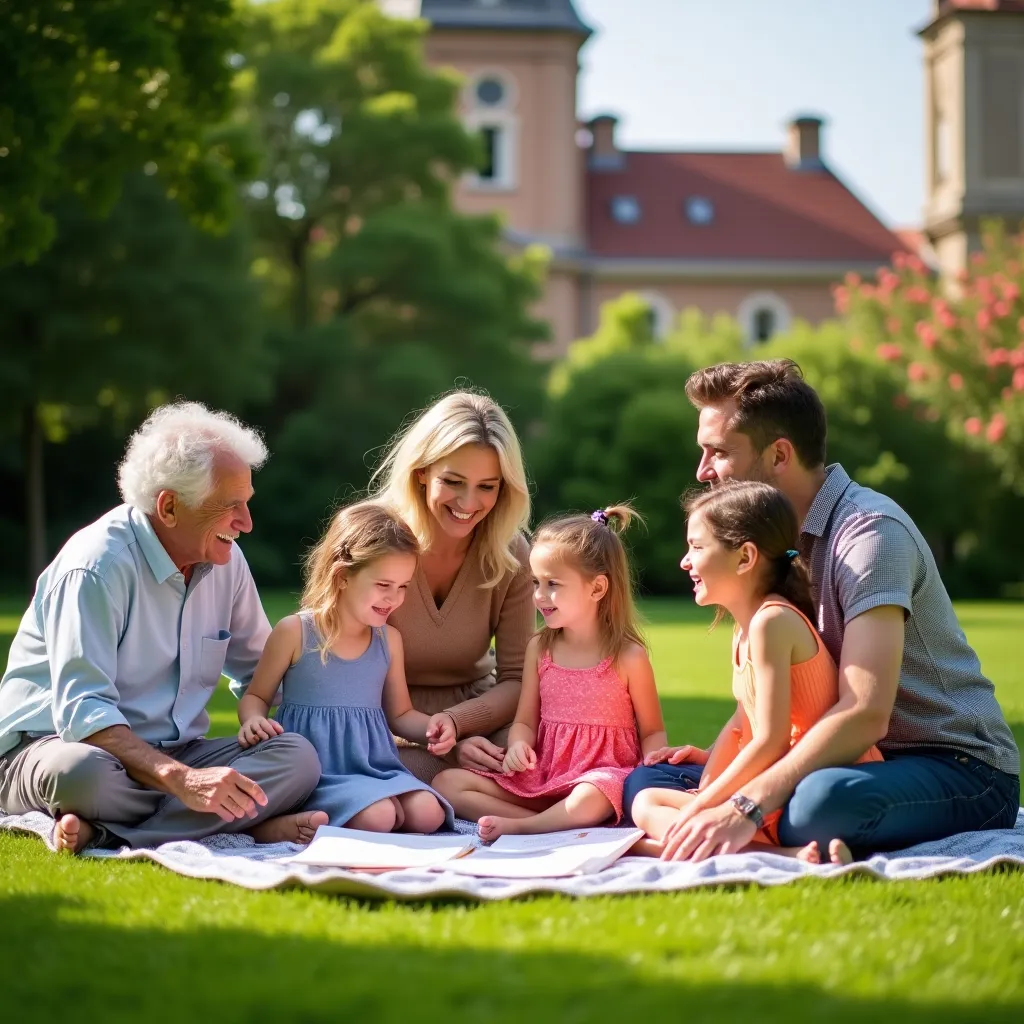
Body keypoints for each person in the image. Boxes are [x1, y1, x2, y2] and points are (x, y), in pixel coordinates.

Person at [624, 359, 1020, 860]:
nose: (702, 471)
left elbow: (863, 713)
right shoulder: (772, 545)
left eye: (718, 452)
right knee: (648, 778)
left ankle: (748, 833)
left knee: (815, 804)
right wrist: (732, 767)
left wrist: (746, 802)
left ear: (780, 455)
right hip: (843, 757)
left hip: (956, 766)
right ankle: (740, 832)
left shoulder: (870, 533)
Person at [0, 402, 323, 853]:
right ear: (169, 507)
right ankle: (245, 823)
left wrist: (366, 724)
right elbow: (83, 713)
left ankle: (107, 834)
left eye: (247, 504)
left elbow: (266, 674)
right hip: (60, 747)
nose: (247, 524)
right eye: (231, 506)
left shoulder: (224, 561)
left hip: (174, 753)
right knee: (83, 777)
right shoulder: (96, 567)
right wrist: (183, 781)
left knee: (300, 759)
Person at [632, 482, 883, 865]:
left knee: (664, 816)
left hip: (802, 777)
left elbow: (771, 740)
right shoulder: (746, 626)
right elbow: (743, 717)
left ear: (745, 557)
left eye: (697, 547)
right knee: (646, 799)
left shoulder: (772, 622)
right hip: (776, 774)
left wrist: (711, 805)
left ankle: (779, 853)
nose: (685, 561)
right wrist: (706, 765)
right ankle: (760, 850)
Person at [434, 505, 667, 841]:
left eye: (552, 584)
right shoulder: (540, 648)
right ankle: (556, 822)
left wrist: (651, 770)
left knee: (593, 795)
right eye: (535, 582)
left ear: (597, 589)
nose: (539, 596)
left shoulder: (628, 656)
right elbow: (526, 721)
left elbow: (653, 732)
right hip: (544, 775)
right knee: (448, 783)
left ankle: (527, 827)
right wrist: (517, 745)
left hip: (601, 780)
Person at [237, 501, 456, 833]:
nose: (394, 599)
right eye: (384, 586)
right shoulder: (295, 632)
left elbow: (400, 715)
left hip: (374, 768)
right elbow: (256, 696)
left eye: (403, 587)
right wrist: (253, 719)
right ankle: (282, 821)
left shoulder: (389, 640)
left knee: (429, 814)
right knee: (381, 817)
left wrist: (434, 729)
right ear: (342, 577)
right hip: (317, 771)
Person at [369, 391, 534, 782]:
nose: (468, 502)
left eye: (487, 486)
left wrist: (456, 725)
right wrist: (442, 741)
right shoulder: (370, 537)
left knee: (530, 762)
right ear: (421, 471)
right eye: (453, 481)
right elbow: (330, 670)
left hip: (479, 719)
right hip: (379, 725)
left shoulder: (510, 552)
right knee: (420, 773)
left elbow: (516, 679)